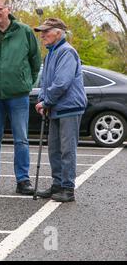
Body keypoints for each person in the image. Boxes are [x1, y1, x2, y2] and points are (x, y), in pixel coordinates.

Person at [0, 0, 42, 194]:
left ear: (8, 9)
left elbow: (35, 60)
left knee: (21, 138)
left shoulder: (24, 32)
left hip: (18, 95)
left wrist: (27, 83)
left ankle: (23, 181)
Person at [34, 18, 87, 202]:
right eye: (41, 32)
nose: (42, 35)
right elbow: (46, 82)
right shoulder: (50, 54)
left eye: (46, 31)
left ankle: (68, 188)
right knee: (54, 149)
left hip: (69, 108)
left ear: (58, 32)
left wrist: (46, 101)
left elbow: (62, 83)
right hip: (56, 108)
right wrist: (42, 99)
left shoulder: (67, 52)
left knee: (67, 150)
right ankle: (57, 184)